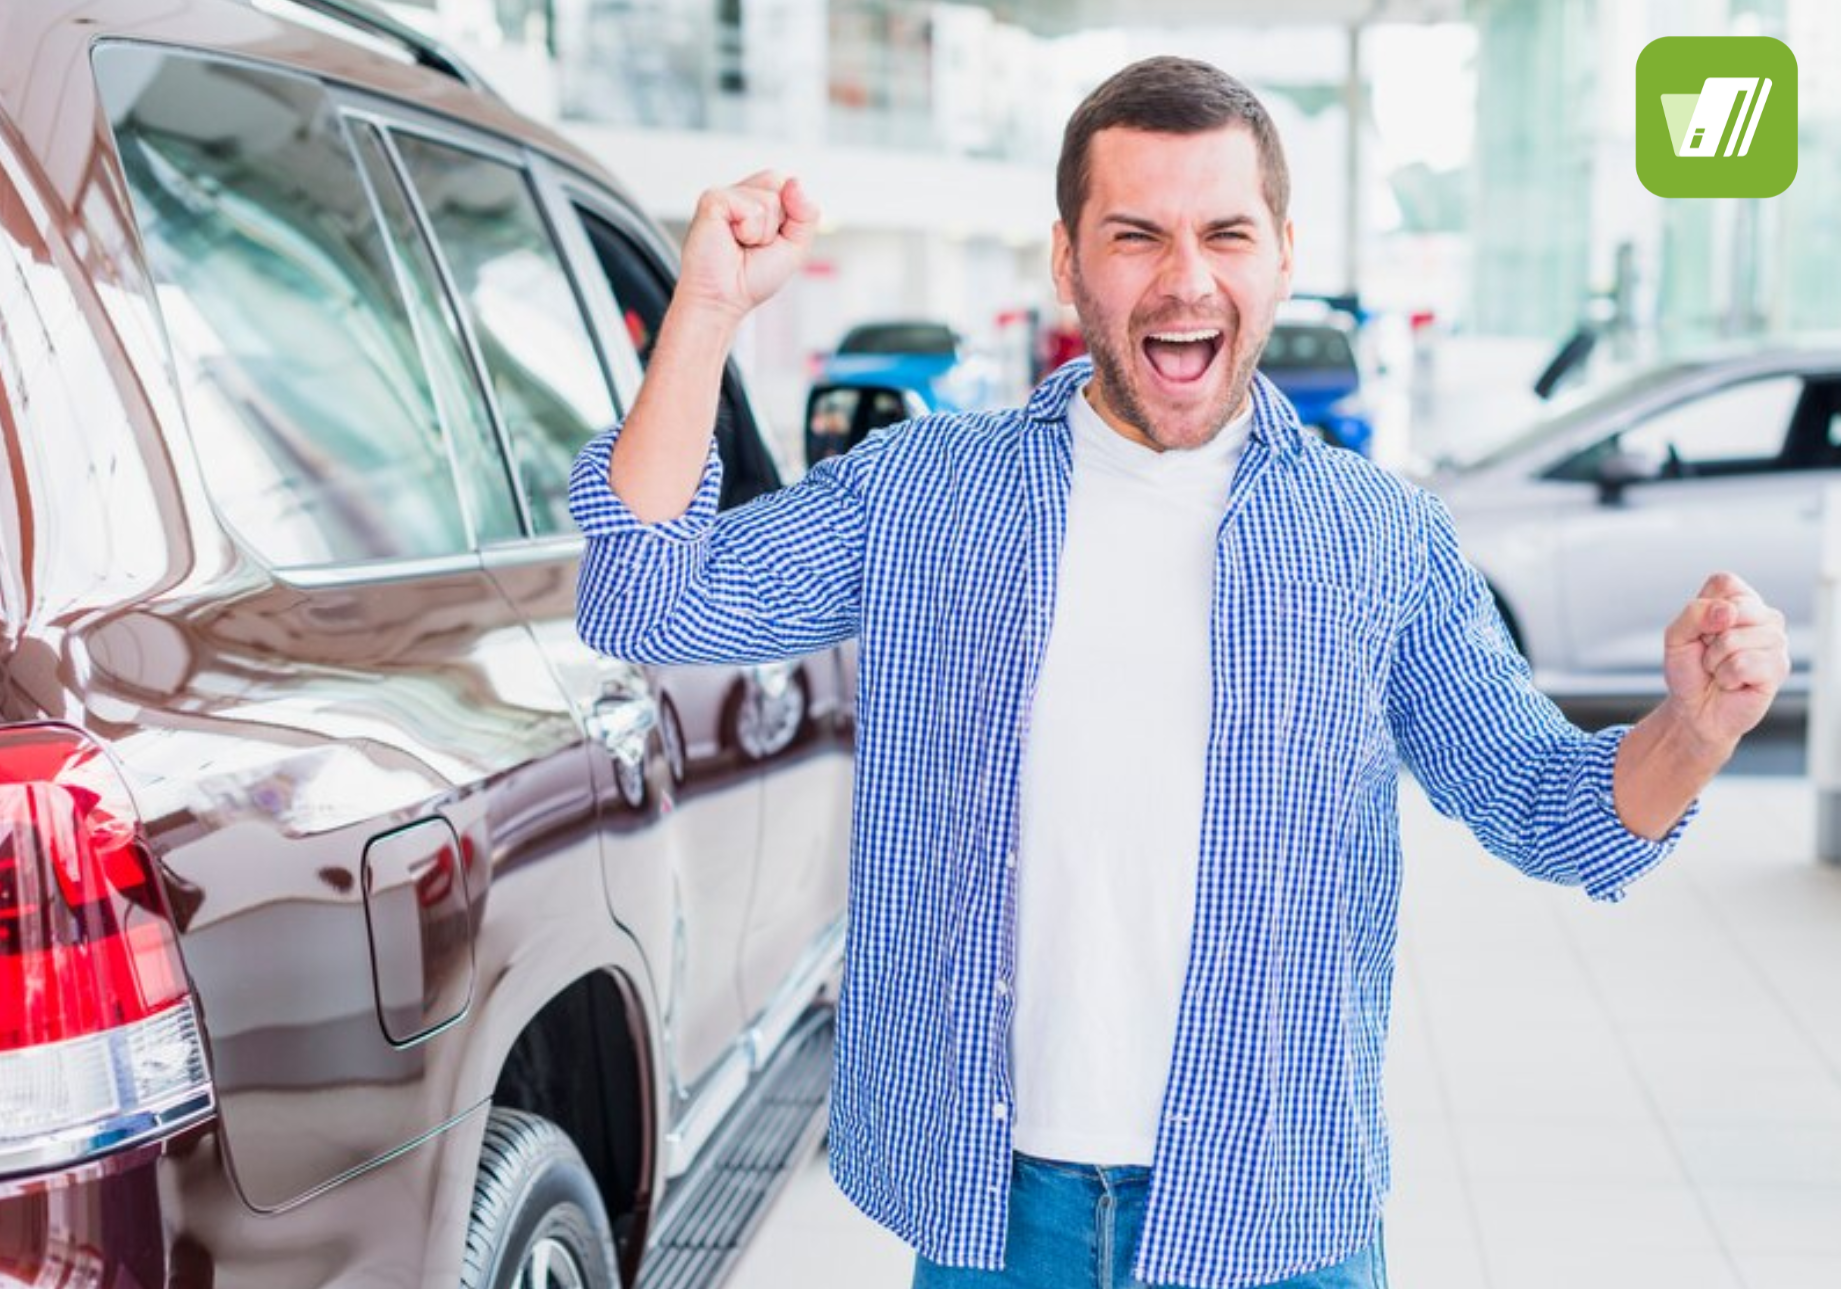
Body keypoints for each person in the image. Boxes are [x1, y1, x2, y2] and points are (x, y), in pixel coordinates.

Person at [569, 56, 1789, 1289]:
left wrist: (1690, 728)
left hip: (1270, 1210)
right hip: (998, 1215)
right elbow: (645, 590)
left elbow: (1552, 809)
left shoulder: (1372, 539)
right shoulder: (923, 495)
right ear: (1066, 260)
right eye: (1135, 234)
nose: (1184, 278)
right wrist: (709, 309)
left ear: (1280, 256)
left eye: (1224, 234)